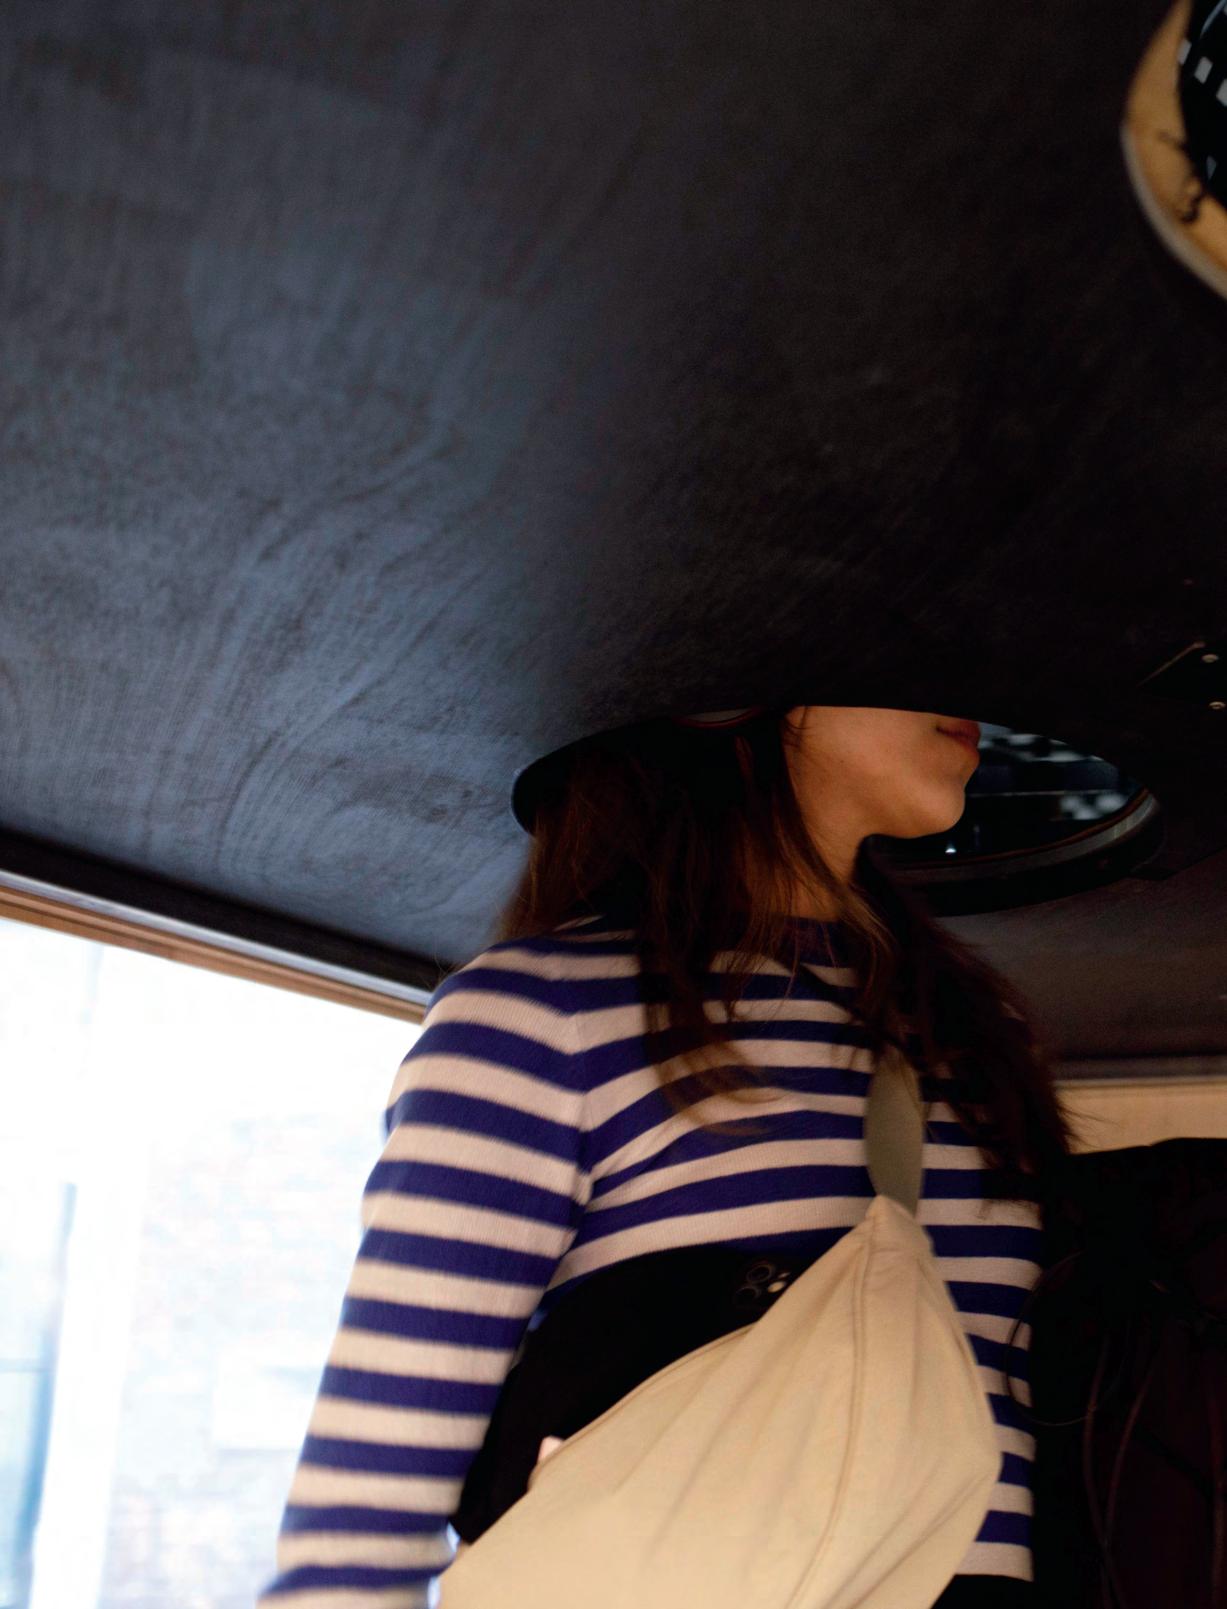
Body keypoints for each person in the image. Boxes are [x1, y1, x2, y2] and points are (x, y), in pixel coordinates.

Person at [256, 705, 1078, 1608]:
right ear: (734, 697)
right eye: (897, 650)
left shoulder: (969, 1029)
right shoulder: (545, 1012)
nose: (959, 690)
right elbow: (371, 1495)